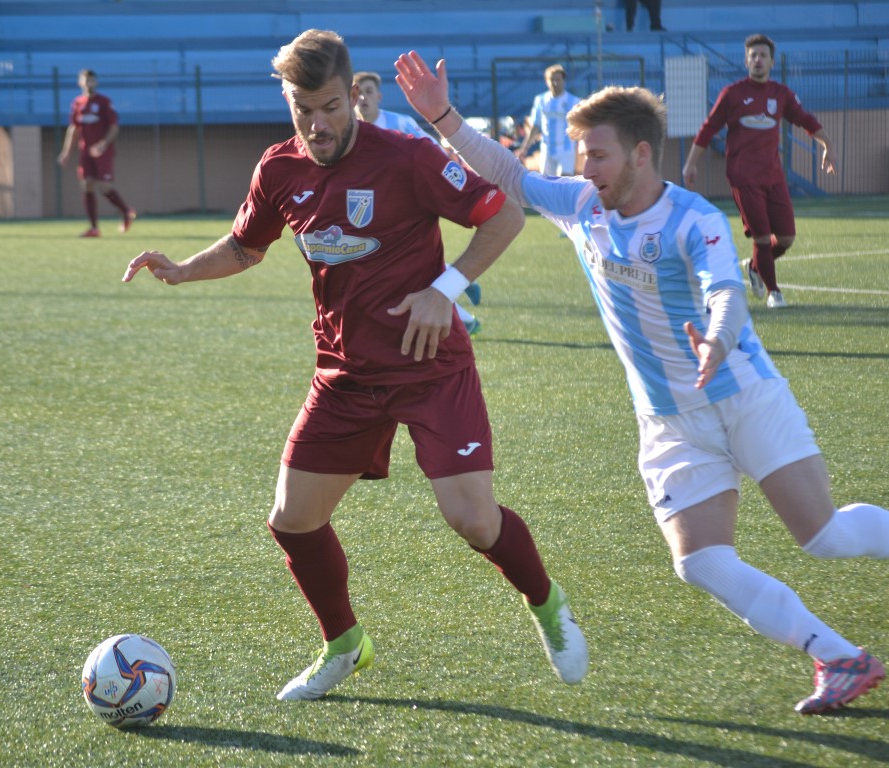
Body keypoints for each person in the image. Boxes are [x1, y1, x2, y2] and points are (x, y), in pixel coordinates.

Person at [395, 50, 889, 715]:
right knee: (699, 560)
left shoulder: (692, 219)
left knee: (823, 536)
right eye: (583, 156)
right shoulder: (585, 206)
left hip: (741, 396)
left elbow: (726, 292)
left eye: (598, 156)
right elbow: (508, 174)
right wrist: (441, 115)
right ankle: (840, 657)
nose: (584, 170)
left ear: (641, 156)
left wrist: (718, 339)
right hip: (668, 419)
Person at [123, 30, 589, 702]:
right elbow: (246, 246)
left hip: (431, 369)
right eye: (302, 109)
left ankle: (547, 604)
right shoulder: (278, 169)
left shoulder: (404, 156)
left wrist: (446, 290)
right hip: (344, 376)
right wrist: (181, 271)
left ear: (353, 96)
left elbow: (504, 216)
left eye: (331, 107)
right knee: (292, 519)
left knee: (474, 521)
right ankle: (345, 645)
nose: (318, 124)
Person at [682, 34, 836, 309]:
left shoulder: (781, 94)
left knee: (786, 237)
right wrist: (691, 162)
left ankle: (754, 266)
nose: (758, 60)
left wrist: (827, 144)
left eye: (763, 55)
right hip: (744, 177)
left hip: (774, 177)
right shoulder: (732, 94)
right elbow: (708, 128)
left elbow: (805, 120)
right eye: (753, 55)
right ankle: (773, 293)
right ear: (746, 61)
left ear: (772, 62)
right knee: (762, 238)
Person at [354, 70, 485, 334]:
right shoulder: (351, 133)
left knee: (410, 272)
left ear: (379, 96)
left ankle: (464, 318)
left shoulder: (399, 123)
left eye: (369, 91)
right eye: (358, 93)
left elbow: (432, 151)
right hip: (375, 213)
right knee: (407, 271)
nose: (364, 98)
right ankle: (460, 288)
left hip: (408, 208)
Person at [58, 69, 136, 238]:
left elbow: (114, 127)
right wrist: (66, 152)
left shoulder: (104, 102)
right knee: (87, 184)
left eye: (91, 80)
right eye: (85, 80)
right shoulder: (78, 103)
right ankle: (94, 228)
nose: (88, 84)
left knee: (104, 186)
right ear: (80, 82)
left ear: (96, 82)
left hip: (103, 151)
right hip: (85, 150)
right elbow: (74, 129)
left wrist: (103, 144)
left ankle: (125, 211)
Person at [515, 64, 581, 177]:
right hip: (547, 149)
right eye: (552, 80)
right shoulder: (540, 100)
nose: (555, 83)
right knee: (547, 182)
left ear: (564, 81)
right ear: (547, 81)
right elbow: (536, 126)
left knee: (564, 181)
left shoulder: (573, 101)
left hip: (566, 149)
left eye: (558, 80)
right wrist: (524, 148)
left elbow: (579, 126)